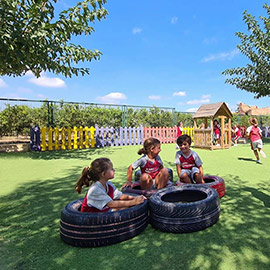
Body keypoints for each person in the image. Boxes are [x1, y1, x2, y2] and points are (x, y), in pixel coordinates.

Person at [75, 158, 146, 212]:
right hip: (91, 218)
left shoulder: (108, 184)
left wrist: (135, 198)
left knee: (128, 207)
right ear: (103, 174)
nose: (114, 170)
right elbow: (111, 204)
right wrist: (134, 202)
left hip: (103, 212)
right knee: (128, 205)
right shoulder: (95, 189)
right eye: (111, 169)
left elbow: (120, 196)